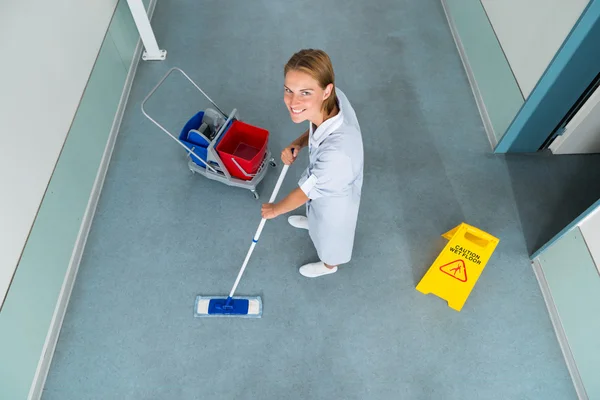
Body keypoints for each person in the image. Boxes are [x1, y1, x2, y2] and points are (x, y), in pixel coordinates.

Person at [261, 49, 364, 278]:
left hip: (335, 199)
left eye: (305, 93)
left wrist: (274, 210)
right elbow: (317, 129)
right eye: (289, 90)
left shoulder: (338, 154)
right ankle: (312, 224)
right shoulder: (332, 102)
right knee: (317, 215)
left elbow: (304, 193)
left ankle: (329, 266)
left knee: (331, 235)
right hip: (326, 179)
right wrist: (298, 143)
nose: (293, 101)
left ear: (326, 90)